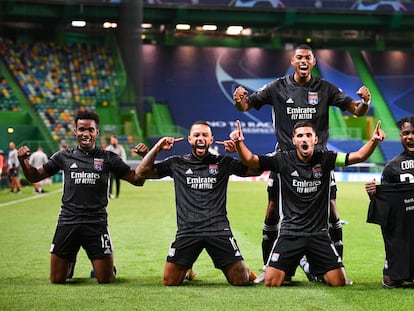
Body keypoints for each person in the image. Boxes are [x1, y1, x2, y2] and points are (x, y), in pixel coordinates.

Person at [233, 43, 371, 282]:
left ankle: (330, 266)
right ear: (292, 61)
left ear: (314, 62)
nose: (303, 60)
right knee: (273, 209)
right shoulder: (277, 87)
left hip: (320, 160)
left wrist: (365, 102)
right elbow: (245, 106)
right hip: (284, 159)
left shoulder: (325, 88)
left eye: (308, 57)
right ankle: (272, 266)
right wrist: (238, 100)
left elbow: (357, 110)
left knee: (331, 210)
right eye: (299, 57)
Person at [229, 119, 385, 287]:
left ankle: (306, 264)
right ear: (294, 140)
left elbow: (358, 156)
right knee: (271, 282)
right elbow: (251, 160)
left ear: (315, 139)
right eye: (300, 136)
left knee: (338, 282)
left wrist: (374, 140)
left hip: (319, 234)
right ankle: (298, 261)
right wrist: (239, 143)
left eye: (308, 135)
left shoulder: (326, 159)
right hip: (290, 233)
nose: (304, 139)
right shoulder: (281, 160)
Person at [17, 109, 148, 284]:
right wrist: (22, 160)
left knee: (106, 279)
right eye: (81, 130)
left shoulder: (108, 158)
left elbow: (137, 180)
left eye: (90, 130)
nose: (85, 133)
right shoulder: (63, 157)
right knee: (57, 279)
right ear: (75, 131)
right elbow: (34, 176)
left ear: (96, 132)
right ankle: (70, 260)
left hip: (96, 222)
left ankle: (106, 268)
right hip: (68, 221)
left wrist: (146, 158)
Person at [136, 120, 260, 286]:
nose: (200, 138)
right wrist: (157, 147)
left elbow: (255, 169)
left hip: (218, 230)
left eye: (204, 135)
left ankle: (243, 271)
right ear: (190, 140)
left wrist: (238, 147)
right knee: (170, 281)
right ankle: (186, 266)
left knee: (241, 281)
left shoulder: (223, 162)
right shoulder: (177, 163)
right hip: (188, 230)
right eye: (196, 135)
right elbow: (141, 172)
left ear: (210, 140)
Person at [365, 116, 414, 288]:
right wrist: (374, 194)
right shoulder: (392, 167)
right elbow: (387, 203)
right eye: (406, 133)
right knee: (391, 282)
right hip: (403, 228)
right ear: (401, 136)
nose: (410, 137)